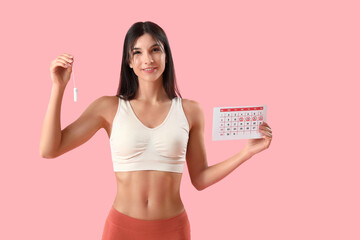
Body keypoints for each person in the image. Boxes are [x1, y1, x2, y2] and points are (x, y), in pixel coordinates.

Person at [39, 21, 273, 240]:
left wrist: (246, 152)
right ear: (128, 61)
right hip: (121, 228)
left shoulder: (190, 110)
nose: (147, 59)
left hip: (173, 228)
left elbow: (200, 179)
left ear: (166, 56)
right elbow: (50, 149)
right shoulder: (108, 107)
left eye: (155, 50)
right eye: (137, 52)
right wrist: (58, 87)